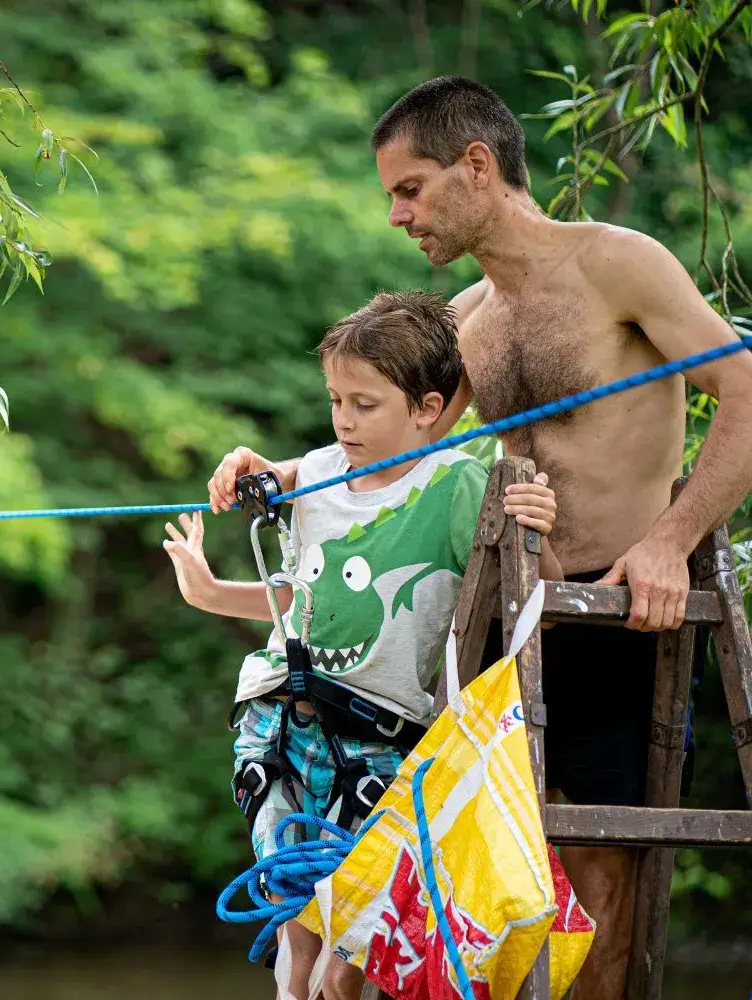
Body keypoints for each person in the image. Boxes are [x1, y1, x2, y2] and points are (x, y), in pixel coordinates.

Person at [206, 76, 752, 1000]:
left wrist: (672, 538)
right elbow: (386, 447)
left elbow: (744, 392)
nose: (396, 215)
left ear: (478, 165)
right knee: (470, 864)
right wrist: (278, 473)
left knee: (597, 864)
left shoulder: (620, 262)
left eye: (409, 188)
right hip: (495, 619)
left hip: (615, 607)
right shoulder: (466, 320)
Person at [167, 290, 560, 1000]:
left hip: (387, 744)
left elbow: (537, 605)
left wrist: (535, 527)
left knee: (345, 963)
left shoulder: (461, 486)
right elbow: (305, 597)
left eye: (365, 404)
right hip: (286, 728)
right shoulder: (318, 471)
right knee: (298, 930)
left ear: (427, 408)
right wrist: (215, 580)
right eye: (335, 400)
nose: (344, 420)